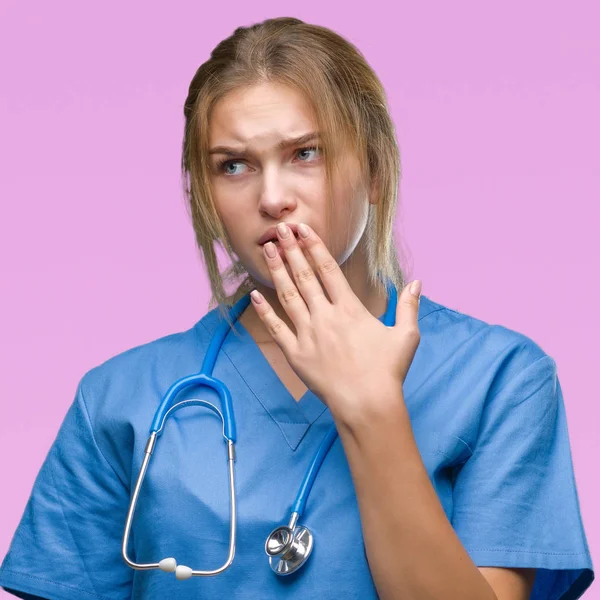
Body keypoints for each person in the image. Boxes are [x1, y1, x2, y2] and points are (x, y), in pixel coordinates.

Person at [0, 16, 594, 600]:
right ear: (203, 194)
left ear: (376, 168)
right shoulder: (117, 399)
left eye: (306, 153)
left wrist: (374, 410)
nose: (273, 198)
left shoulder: (502, 381)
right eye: (233, 166)